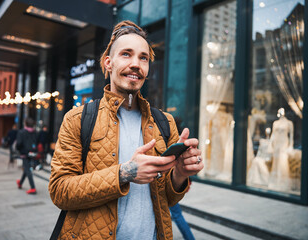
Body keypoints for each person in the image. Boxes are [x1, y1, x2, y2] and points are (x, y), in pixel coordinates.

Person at [49, 20, 203, 239]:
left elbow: (168, 198)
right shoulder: (78, 119)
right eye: (126, 54)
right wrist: (125, 173)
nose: (135, 64)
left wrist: (181, 174)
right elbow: (60, 191)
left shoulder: (165, 122)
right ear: (108, 63)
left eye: (143, 58)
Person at [16, 117, 38, 195]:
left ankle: (33, 188)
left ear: (25, 123)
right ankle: (20, 182)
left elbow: (18, 144)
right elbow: (37, 141)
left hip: (24, 153)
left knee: (28, 170)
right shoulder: (35, 132)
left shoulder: (21, 132)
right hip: (32, 152)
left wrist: (19, 150)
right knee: (26, 168)